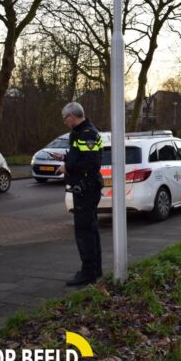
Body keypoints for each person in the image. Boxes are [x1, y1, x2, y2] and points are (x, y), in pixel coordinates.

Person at [57, 102, 104, 286]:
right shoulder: (79, 133)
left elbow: (92, 163)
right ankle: (95, 269)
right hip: (85, 186)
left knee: (84, 231)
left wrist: (67, 167)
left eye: (65, 118)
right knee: (90, 229)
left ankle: (88, 273)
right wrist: (67, 159)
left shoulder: (88, 134)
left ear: (72, 116)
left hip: (86, 188)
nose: (64, 122)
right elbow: (82, 157)